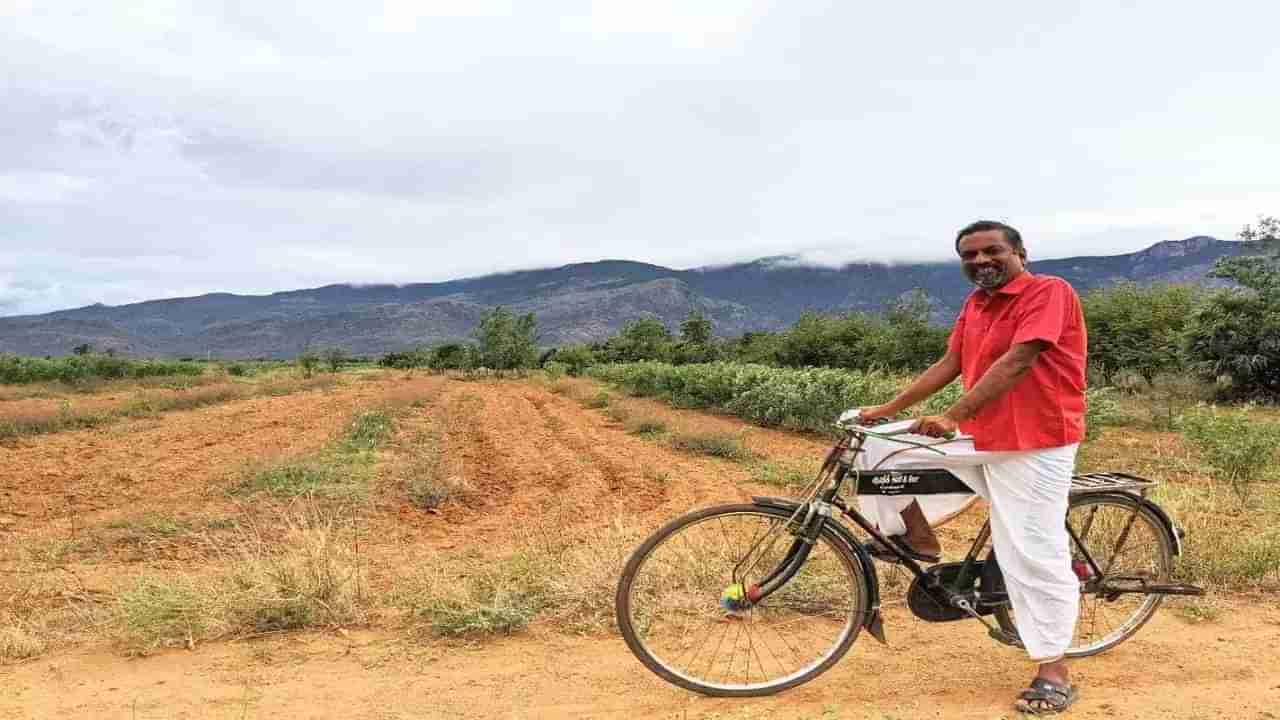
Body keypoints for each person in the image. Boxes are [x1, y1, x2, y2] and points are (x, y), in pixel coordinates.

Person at [851, 220, 1088, 715]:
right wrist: (885, 410)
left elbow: (1021, 359)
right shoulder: (975, 304)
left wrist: (953, 415)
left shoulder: (1049, 292)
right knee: (876, 449)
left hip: (1036, 442)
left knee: (1029, 551)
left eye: (991, 251)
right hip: (982, 435)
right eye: (969, 254)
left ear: (1019, 251)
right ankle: (918, 539)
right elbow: (949, 363)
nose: (980, 260)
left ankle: (1053, 669)